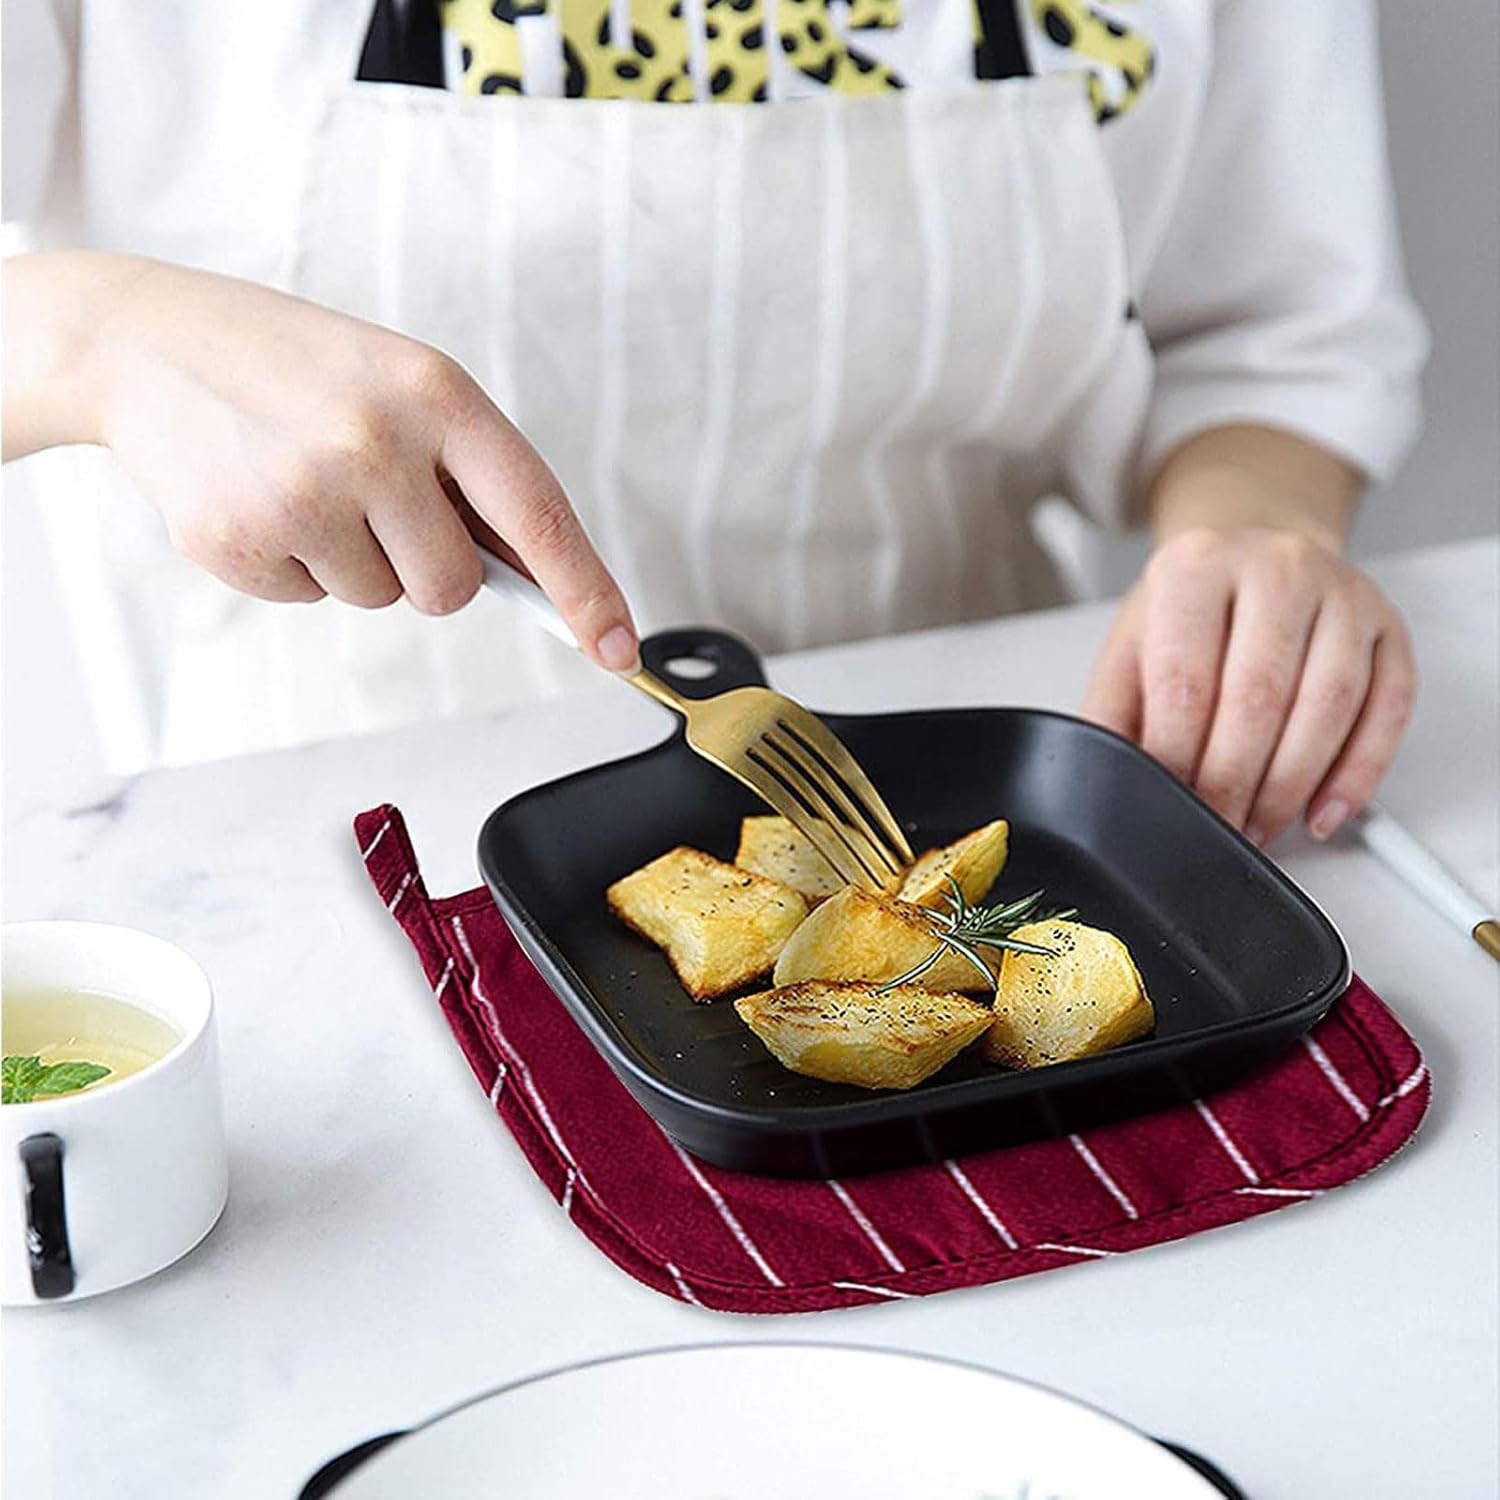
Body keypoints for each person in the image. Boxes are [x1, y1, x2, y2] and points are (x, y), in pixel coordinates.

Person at [2, 0, 1424, 848]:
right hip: (326, 805)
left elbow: (1269, 339)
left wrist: (1260, 531)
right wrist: (100, 337)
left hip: (960, 759)